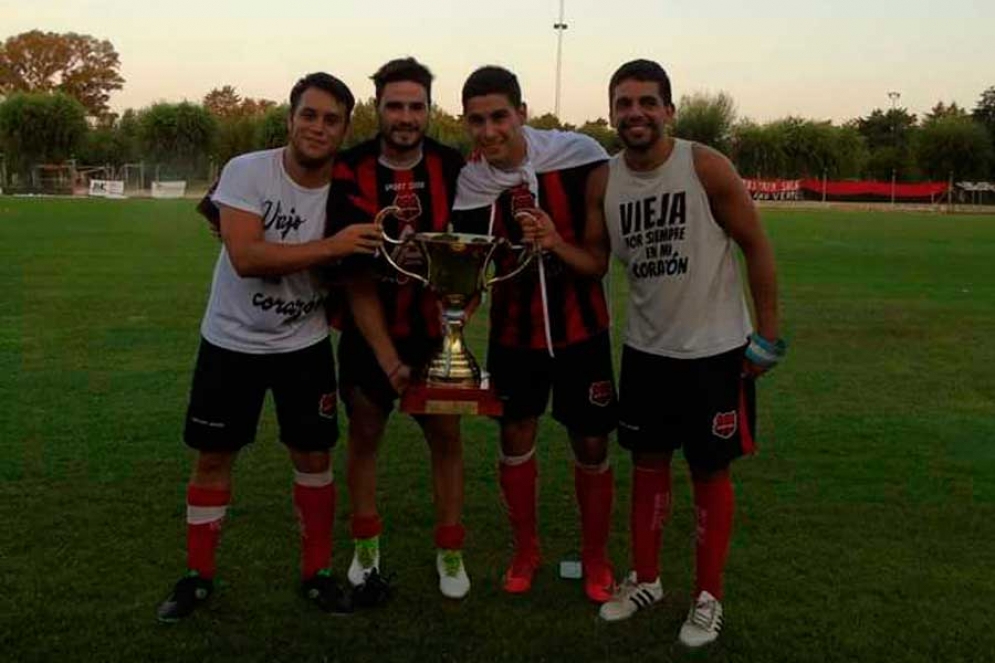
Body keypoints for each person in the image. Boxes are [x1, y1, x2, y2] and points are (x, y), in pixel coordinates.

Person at [156, 72, 382, 622]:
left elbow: (351, 271)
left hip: (301, 346)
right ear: (291, 118)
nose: (318, 127)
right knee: (214, 458)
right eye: (309, 115)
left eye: (332, 120)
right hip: (230, 340)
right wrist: (329, 246)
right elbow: (246, 257)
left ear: (346, 128)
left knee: (313, 456)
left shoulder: (350, 191)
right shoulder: (248, 169)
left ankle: (318, 574)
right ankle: (198, 577)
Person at [592, 59, 786, 648]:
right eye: (624, 104)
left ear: (669, 111)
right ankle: (646, 579)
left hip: (715, 352)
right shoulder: (604, 181)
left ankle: (708, 597)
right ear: (612, 114)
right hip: (647, 351)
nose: (635, 114)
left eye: (647, 102)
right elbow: (595, 261)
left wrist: (768, 338)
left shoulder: (704, 165)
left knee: (709, 470)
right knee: (647, 466)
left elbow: (756, 246)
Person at [451, 65, 617, 603]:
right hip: (514, 336)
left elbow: (597, 262)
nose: (489, 130)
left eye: (499, 116)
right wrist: (454, 314)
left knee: (591, 440)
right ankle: (525, 550)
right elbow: (471, 269)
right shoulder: (472, 180)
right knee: (514, 434)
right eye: (477, 120)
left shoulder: (581, 155)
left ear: (522, 113)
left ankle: (595, 556)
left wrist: (554, 241)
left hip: (581, 329)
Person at [326, 58, 470, 599]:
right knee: (364, 435)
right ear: (378, 108)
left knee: (446, 436)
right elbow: (354, 276)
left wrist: (455, 329)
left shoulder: (453, 165)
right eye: (395, 106)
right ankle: (366, 548)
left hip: (435, 330)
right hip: (370, 331)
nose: (406, 117)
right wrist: (387, 357)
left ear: (430, 109)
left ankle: (451, 552)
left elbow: (473, 259)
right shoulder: (351, 168)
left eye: (416, 106)